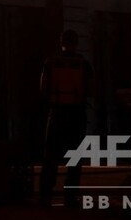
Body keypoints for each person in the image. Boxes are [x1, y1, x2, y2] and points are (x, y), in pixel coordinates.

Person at [39, 30, 93, 207]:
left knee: (51, 155)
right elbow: (91, 89)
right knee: (75, 157)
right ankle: (70, 197)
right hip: (77, 113)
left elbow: (43, 87)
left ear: (61, 42)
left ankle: (46, 195)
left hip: (57, 112)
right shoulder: (83, 64)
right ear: (76, 43)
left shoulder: (51, 62)